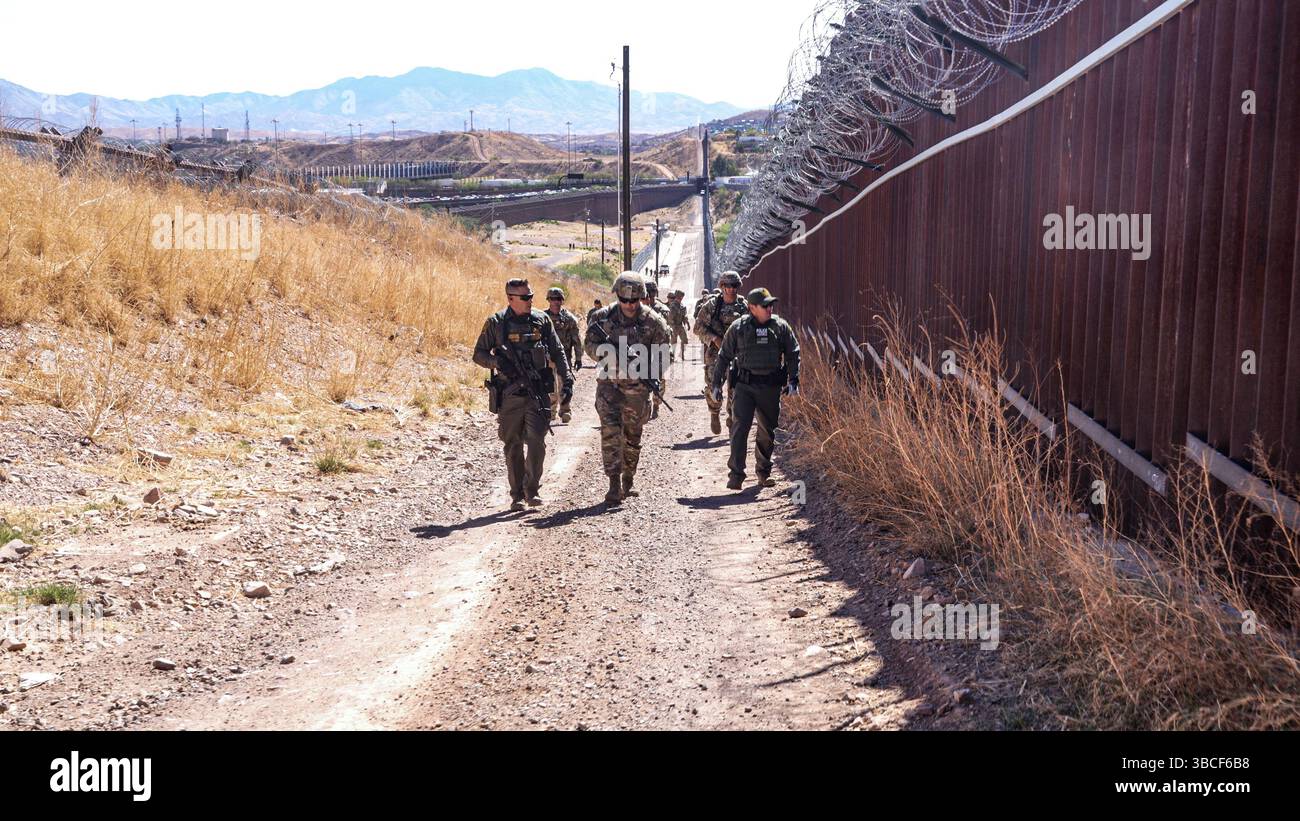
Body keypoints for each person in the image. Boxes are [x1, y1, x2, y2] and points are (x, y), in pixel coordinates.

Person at [473, 279, 573, 512]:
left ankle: (532, 490)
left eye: (531, 296)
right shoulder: (497, 323)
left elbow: (558, 350)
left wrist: (567, 378)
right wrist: (497, 362)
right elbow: (478, 354)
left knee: (537, 442)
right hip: (510, 395)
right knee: (513, 444)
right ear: (510, 299)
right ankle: (516, 494)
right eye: (525, 298)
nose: (531, 301)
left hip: (537, 392)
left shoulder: (541, 320)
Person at [584, 272, 672, 505]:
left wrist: (648, 369)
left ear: (642, 298)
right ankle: (613, 483)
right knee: (610, 432)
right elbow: (589, 344)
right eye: (624, 300)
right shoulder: (603, 317)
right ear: (617, 297)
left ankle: (628, 477)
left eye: (634, 301)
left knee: (632, 436)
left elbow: (665, 354)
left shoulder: (654, 322)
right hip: (609, 386)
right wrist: (608, 354)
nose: (629, 305)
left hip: (637, 389)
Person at [711, 287, 800, 491]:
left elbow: (793, 352)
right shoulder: (738, 328)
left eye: (771, 305)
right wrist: (717, 384)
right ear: (752, 308)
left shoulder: (780, 327)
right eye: (765, 305)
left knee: (767, 430)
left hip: (770, 387)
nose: (770, 308)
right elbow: (724, 356)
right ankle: (736, 474)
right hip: (745, 386)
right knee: (739, 428)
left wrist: (794, 380)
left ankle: (763, 472)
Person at [695, 272, 749, 436]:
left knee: (737, 389)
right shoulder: (712, 306)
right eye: (728, 286)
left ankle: (732, 420)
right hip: (715, 355)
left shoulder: (744, 306)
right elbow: (697, 328)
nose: (731, 290)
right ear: (722, 287)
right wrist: (714, 338)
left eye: (734, 286)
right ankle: (714, 412)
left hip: (737, 355)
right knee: (714, 388)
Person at [544, 287, 583, 424]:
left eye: (558, 299)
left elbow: (577, 340)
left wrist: (578, 358)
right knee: (549, 386)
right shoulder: (542, 318)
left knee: (565, 386)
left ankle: (565, 411)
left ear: (562, 301)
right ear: (548, 300)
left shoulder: (569, 319)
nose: (556, 302)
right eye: (553, 299)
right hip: (547, 359)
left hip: (564, 358)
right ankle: (550, 411)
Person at [641, 278, 673, 419]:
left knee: (659, 378)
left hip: (659, 348)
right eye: (648, 292)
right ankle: (644, 405)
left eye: (653, 292)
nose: (651, 295)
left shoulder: (663, 310)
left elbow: (667, 332)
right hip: (642, 349)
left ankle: (656, 405)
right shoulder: (638, 309)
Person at [667, 290, 691, 362]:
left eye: (682, 297)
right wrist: (673, 327)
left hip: (680, 325)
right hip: (674, 326)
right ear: (677, 296)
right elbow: (670, 317)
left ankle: (682, 355)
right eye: (680, 297)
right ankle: (672, 356)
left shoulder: (682, 305)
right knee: (673, 342)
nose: (681, 298)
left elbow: (684, 316)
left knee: (685, 340)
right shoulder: (673, 306)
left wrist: (687, 323)